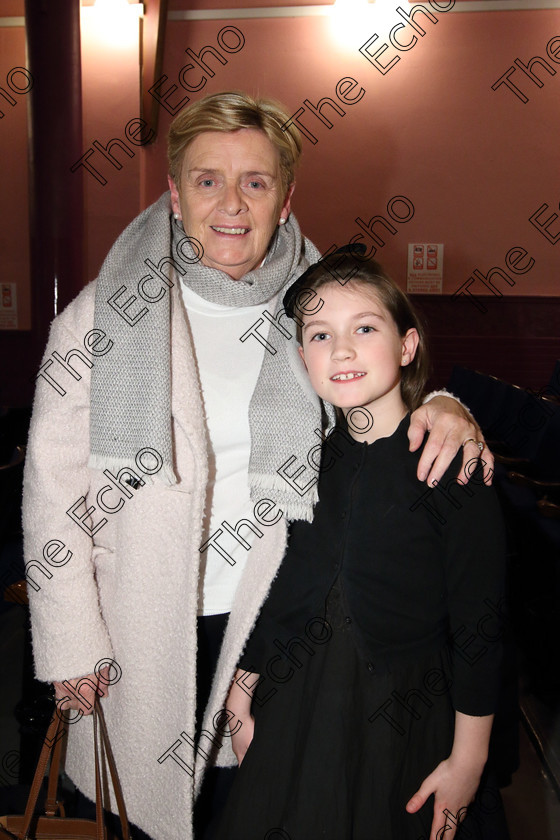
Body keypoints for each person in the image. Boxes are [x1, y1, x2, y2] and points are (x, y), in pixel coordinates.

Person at [22, 92, 492, 840]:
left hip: (276, 629)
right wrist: (70, 636)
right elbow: (51, 487)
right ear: (175, 194)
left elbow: (372, 382)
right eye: (208, 180)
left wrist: (441, 401)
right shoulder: (102, 313)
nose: (231, 204)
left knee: (254, 814)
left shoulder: (315, 304)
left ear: (286, 195)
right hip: (136, 629)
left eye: (256, 181)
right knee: (135, 814)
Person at [215, 249, 508, 840]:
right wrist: (240, 696)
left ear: (407, 346)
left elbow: (482, 626)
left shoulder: (451, 466)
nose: (341, 350)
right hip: (298, 701)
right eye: (320, 334)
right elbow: (284, 589)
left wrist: (468, 761)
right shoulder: (303, 462)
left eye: (364, 328)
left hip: (406, 712)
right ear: (303, 358)